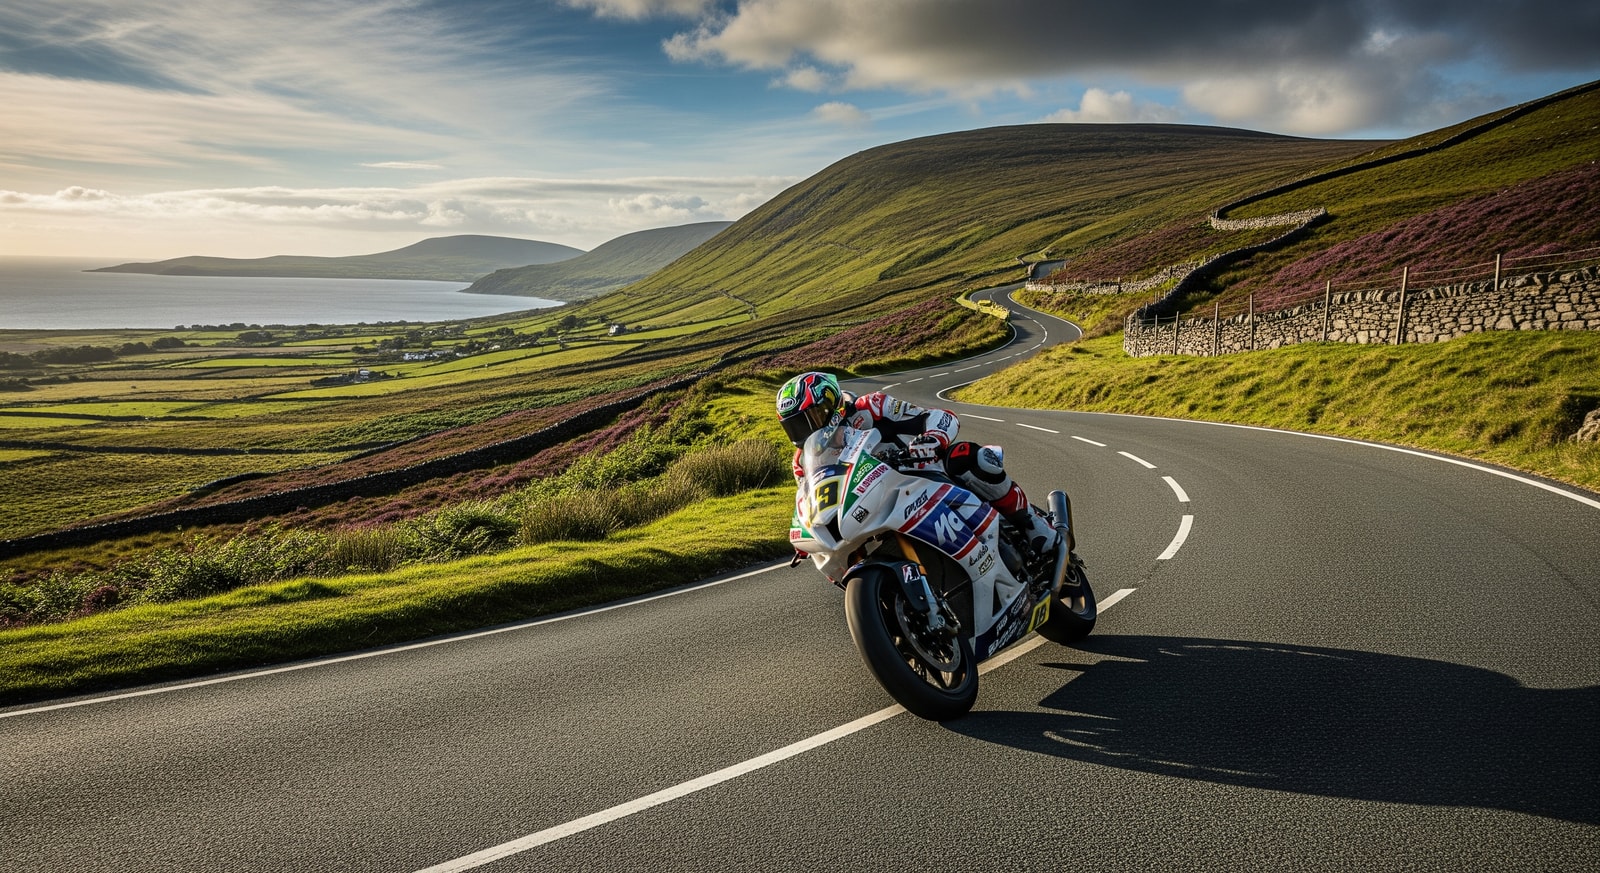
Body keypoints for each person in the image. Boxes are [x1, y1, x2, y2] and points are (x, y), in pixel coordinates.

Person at [776, 370, 1061, 555]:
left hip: (921, 476)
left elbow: (940, 417)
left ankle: (1033, 525)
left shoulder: (871, 408)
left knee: (968, 457)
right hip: (872, 509)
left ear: (831, 404)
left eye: (810, 419)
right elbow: (813, 498)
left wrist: (933, 439)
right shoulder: (802, 462)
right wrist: (810, 530)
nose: (806, 432)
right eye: (796, 427)